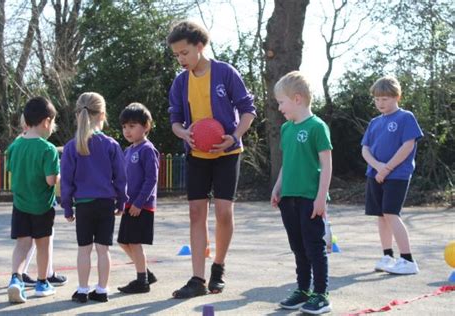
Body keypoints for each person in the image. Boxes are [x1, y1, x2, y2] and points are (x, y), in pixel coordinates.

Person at [167, 20, 256, 298]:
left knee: (223, 213)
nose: (181, 59)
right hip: (197, 154)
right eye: (177, 55)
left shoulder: (225, 72)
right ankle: (197, 279)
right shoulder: (180, 82)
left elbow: (248, 110)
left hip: (227, 153)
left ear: (199, 46)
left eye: (184, 53)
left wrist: (234, 136)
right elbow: (175, 121)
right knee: (196, 213)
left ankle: (218, 266)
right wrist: (185, 133)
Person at [270, 71, 333, 314]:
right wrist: (278, 186)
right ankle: (303, 290)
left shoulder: (317, 127)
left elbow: (326, 164)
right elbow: (288, 162)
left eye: (281, 102)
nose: (279, 107)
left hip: (310, 198)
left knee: (314, 247)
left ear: (297, 99)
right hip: (289, 198)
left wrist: (321, 197)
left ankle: (321, 294)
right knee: (297, 246)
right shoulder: (286, 129)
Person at [61, 92, 127, 303]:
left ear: (78, 113)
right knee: (103, 249)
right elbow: (120, 177)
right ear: (102, 114)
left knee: (84, 250)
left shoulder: (72, 146)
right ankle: (101, 289)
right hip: (106, 203)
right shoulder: (111, 145)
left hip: (83, 204)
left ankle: (82, 289)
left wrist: (67, 207)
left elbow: (67, 181)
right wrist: (122, 200)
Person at [361, 75, 423, 275]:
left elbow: (408, 145)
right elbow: (365, 149)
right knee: (380, 216)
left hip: (397, 175)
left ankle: (407, 259)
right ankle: (388, 256)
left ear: (397, 97)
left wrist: (387, 168)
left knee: (390, 213)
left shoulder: (405, 117)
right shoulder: (374, 122)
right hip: (375, 174)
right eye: (377, 99)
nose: (380, 103)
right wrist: (378, 167)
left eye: (385, 99)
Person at [6, 97, 59, 303]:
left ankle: (16, 279)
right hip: (42, 206)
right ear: (46, 121)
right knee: (42, 245)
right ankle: (42, 282)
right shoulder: (48, 149)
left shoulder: (14, 146)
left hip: (20, 204)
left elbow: (12, 170)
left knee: (22, 244)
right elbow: (50, 180)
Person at [18, 113, 68, 288]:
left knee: (32, 239)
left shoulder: (18, 144)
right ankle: (40, 276)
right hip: (40, 201)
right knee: (39, 240)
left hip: (23, 201)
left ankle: (42, 273)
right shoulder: (43, 147)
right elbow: (50, 179)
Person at [117, 103, 159, 294]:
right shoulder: (128, 151)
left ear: (146, 126)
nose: (127, 130)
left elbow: (152, 179)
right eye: (125, 126)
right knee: (124, 242)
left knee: (134, 242)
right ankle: (146, 273)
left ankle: (142, 281)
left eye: (132, 126)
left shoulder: (147, 149)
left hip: (141, 206)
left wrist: (139, 203)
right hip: (128, 205)